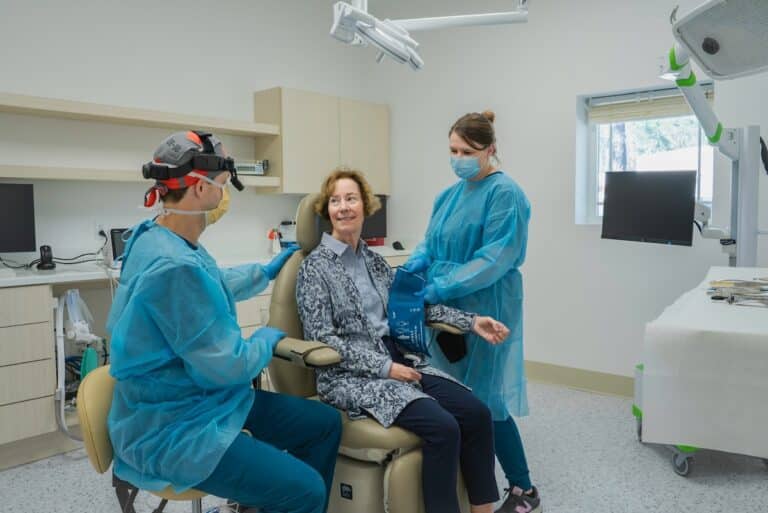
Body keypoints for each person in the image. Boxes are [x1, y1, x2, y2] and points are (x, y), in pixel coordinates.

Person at [107, 131, 342, 513]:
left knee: (324, 423)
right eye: (222, 184)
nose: (224, 195)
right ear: (200, 188)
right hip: (175, 427)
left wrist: (265, 272)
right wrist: (265, 340)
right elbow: (229, 366)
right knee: (307, 490)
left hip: (202, 400)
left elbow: (210, 283)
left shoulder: (159, 236)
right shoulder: (173, 265)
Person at [296, 168, 510, 513]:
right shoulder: (314, 268)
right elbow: (324, 340)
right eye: (335, 201)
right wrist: (384, 367)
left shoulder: (374, 261)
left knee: (477, 414)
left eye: (351, 198)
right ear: (326, 211)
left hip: (401, 361)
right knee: (443, 427)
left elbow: (412, 309)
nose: (343, 207)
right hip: (352, 377)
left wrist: (472, 322)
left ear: (365, 206)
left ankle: (481, 510)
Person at [403, 111, 540, 513]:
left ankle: (524, 490)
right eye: (453, 150)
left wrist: (441, 286)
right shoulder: (447, 196)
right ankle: (469, 479)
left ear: (490, 149)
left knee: (485, 400)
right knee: (449, 392)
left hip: (487, 304)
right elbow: (430, 244)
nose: (458, 158)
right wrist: (413, 267)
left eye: (467, 151)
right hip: (445, 310)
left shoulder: (505, 194)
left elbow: (494, 259)